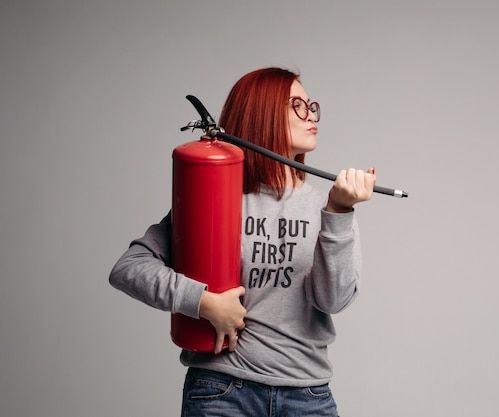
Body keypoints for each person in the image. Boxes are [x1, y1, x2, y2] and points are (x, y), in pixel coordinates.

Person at [109, 67, 376, 417]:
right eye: (297, 105)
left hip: (306, 396)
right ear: (261, 113)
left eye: (311, 105)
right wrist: (203, 302)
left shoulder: (327, 207)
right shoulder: (214, 199)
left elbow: (334, 300)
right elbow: (127, 268)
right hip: (221, 392)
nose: (311, 114)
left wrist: (339, 213)